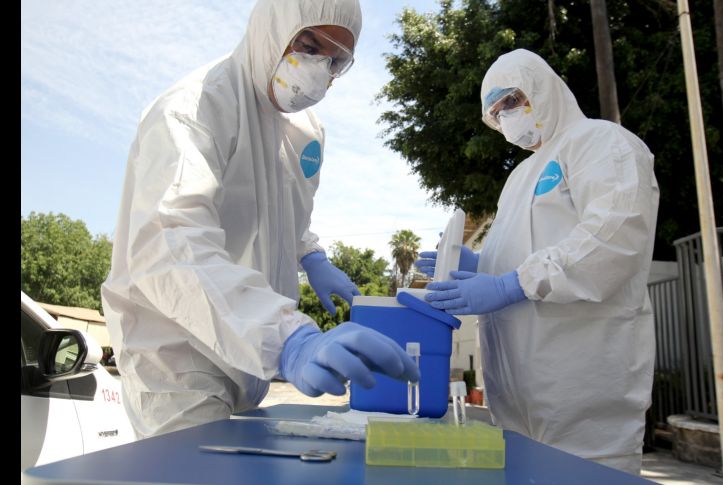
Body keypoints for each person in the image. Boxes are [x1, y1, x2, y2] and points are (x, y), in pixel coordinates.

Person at [101, 0, 419, 439]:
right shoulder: (193, 109)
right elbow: (170, 242)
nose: (318, 69)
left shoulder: (306, 130)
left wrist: (313, 257)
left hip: (249, 355)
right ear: (273, 28)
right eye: (308, 45)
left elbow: (292, 216)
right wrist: (287, 339)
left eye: (335, 60)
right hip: (175, 355)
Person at [416, 49, 659, 475]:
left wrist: (509, 285)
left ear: (543, 87)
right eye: (497, 112)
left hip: (584, 401)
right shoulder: (519, 178)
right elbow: (523, 254)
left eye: (512, 100)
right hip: (515, 403)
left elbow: (614, 238)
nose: (507, 116)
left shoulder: (602, 142)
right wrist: (481, 264)